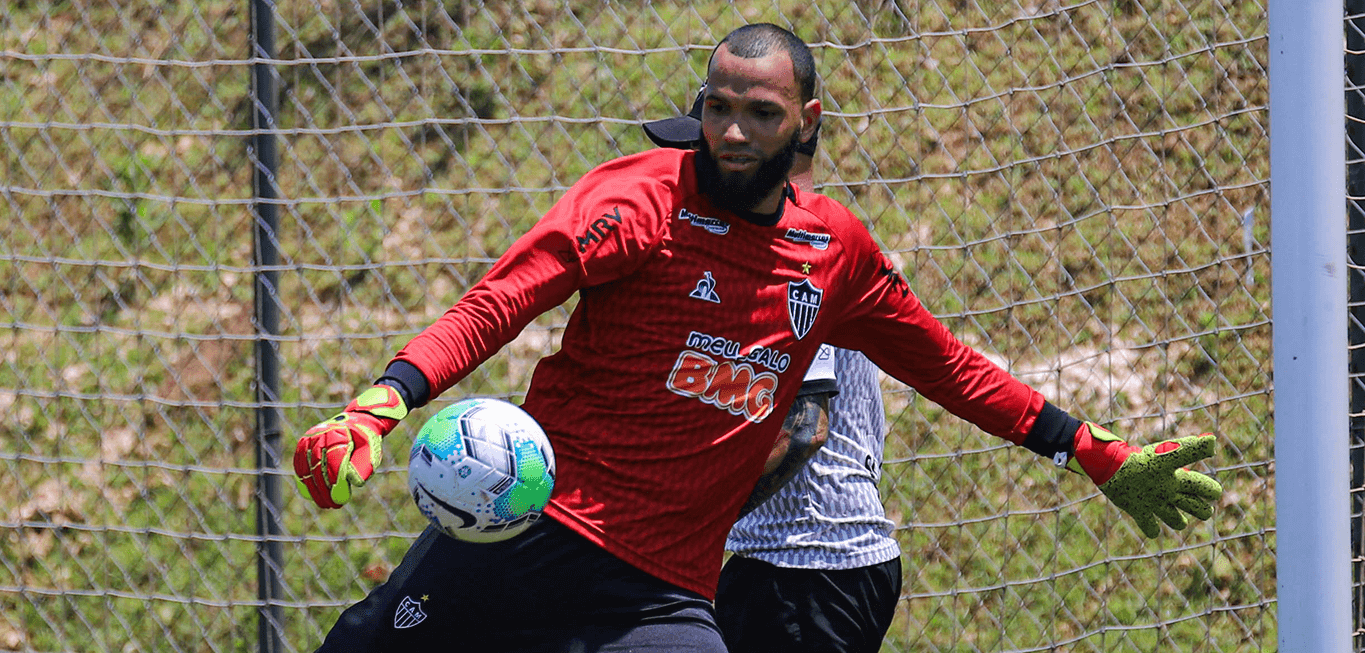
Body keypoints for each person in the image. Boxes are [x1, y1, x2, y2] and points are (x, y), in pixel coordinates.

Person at [291, 23, 1223, 652]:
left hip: (658, 589)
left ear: (805, 122)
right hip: (524, 530)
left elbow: (947, 366)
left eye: (760, 114)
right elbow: (500, 300)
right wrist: (385, 401)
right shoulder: (641, 197)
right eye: (718, 108)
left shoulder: (834, 253)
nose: (733, 132)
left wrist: (1089, 450)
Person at [648, 96, 904, 652]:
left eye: (706, 153)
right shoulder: (766, 243)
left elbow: (803, 427)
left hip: (808, 564)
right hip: (795, 562)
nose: (688, 169)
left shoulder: (799, 251)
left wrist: (684, 521)